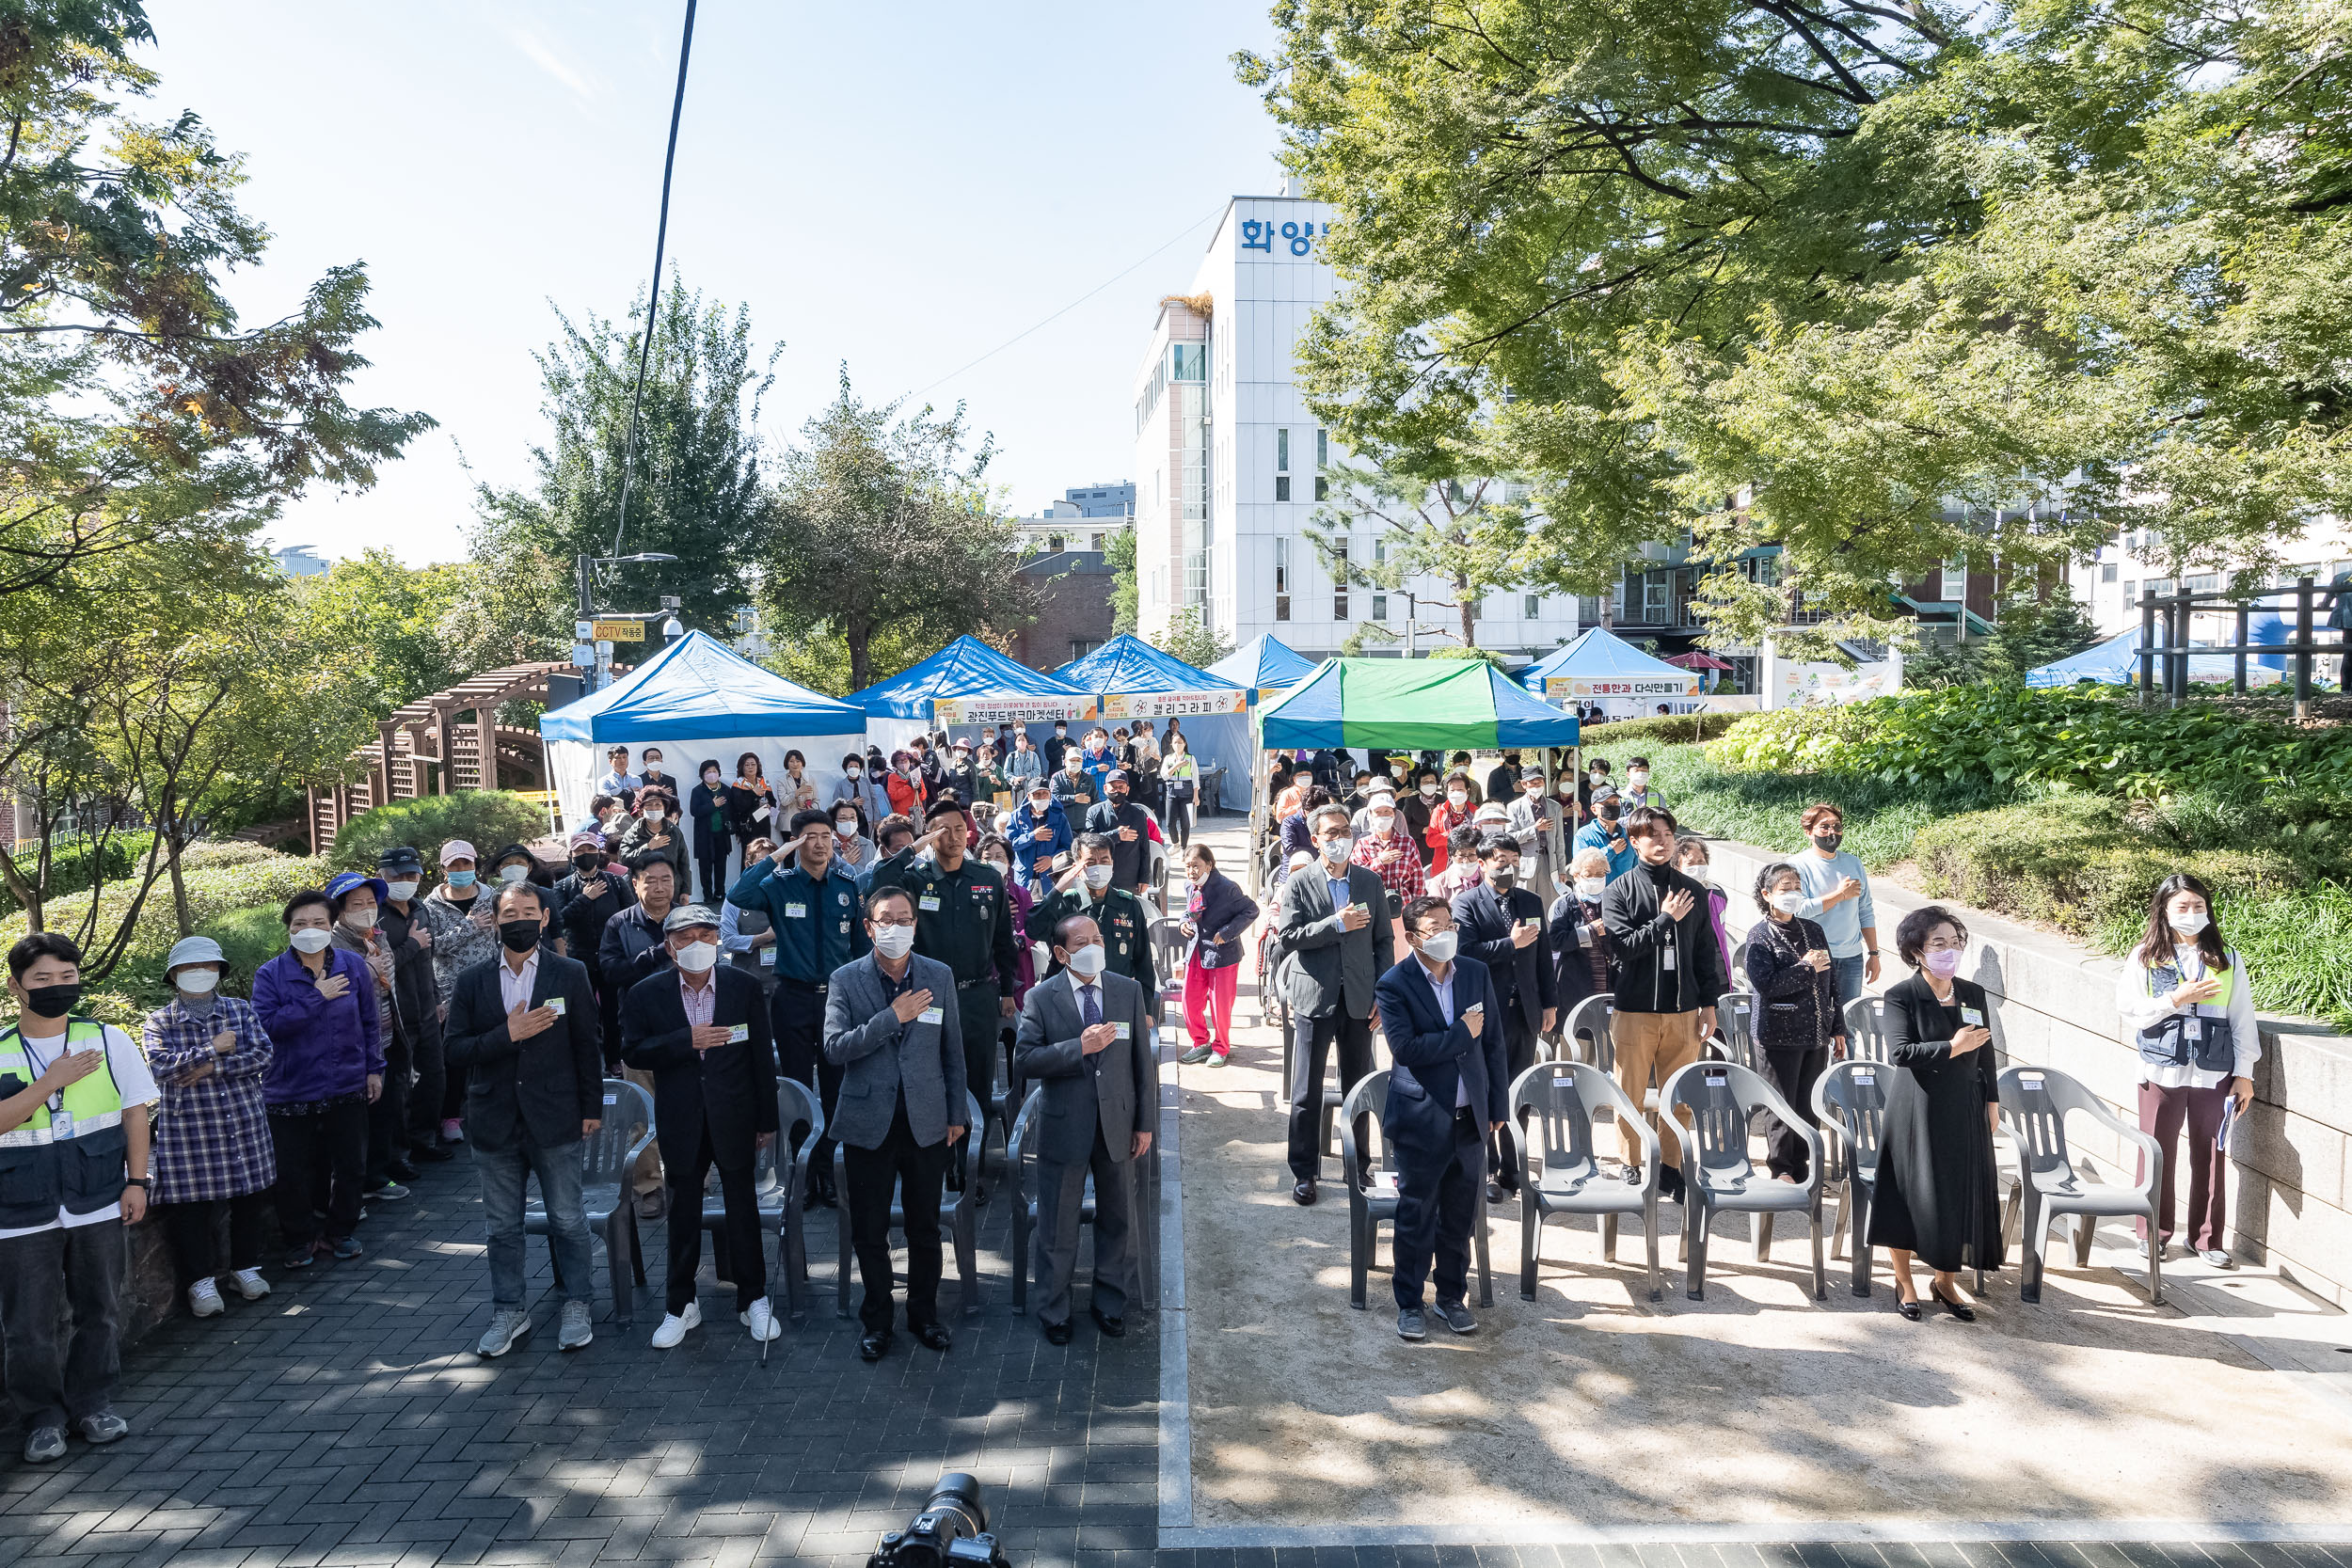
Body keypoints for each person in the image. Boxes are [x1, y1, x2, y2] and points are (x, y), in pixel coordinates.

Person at [0, 934, 158, 1462]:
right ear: (16, 986)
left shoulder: (108, 1039)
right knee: (27, 1325)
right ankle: (42, 1418)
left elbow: (136, 1112)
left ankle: (92, 1403)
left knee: (101, 1310)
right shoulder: (0, 1049)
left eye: (66, 977)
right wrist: (51, 1082)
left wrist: (137, 1181)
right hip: (20, 1209)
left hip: (97, 1199)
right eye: (42, 979)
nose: (57, 987)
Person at [443, 881, 604, 1356]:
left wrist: (591, 1109)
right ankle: (509, 1309)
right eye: (510, 913)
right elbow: (454, 1051)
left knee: (569, 1220)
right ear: (495, 919)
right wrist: (506, 1033)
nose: (519, 921)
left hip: (556, 1117)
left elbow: (587, 1047)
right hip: (493, 1119)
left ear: (545, 918)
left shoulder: (570, 972)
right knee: (501, 1228)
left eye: (529, 912)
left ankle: (578, 1302)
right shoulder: (472, 981)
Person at [624, 904, 783, 1347]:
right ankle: (680, 1304)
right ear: (669, 945)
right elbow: (633, 1051)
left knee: (743, 1209)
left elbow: (759, 1060)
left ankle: (753, 1298)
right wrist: (683, 1041)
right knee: (684, 1212)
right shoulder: (646, 993)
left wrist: (766, 1118)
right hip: (681, 1116)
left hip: (735, 1114)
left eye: (706, 936)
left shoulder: (742, 986)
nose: (698, 945)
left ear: (718, 940)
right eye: (686, 937)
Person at [823, 885, 968, 1361]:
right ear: (869, 927)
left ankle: (925, 1315)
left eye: (905, 919)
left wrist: (955, 1112)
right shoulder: (846, 979)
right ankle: (878, 1321)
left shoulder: (939, 975)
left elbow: (952, 1052)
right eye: (887, 919)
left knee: (925, 1227)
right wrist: (892, 1017)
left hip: (926, 1121)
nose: (897, 927)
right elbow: (835, 1048)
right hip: (869, 1122)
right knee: (870, 1229)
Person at [1013, 913, 1157, 1342]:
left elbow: (1141, 1066)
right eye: (1081, 943)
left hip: (1118, 1124)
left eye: (1098, 938)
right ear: (1060, 954)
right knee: (1058, 1224)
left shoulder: (1126, 990)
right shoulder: (1041, 998)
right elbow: (1025, 1060)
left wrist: (1145, 1123)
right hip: (1066, 1125)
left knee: (1119, 1219)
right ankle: (1054, 1310)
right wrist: (1078, 1047)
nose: (1093, 946)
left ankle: (1110, 1302)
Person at [1374, 897, 1506, 1342]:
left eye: (1449, 924)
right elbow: (1407, 1051)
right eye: (1434, 928)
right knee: (1416, 1213)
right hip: (1422, 1118)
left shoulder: (1474, 972)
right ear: (1412, 938)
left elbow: (1493, 1046)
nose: (1446, 933)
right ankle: (1409, 1303)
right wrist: (1457, 1034)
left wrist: (1497, 1108)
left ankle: (1451, 1296)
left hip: (1471, 1117)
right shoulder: (1395, 984)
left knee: (1460, 1214)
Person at [2117, 872, 2259, 1267]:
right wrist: (2174, 998)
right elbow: (2130, 1012)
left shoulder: (2226, 957)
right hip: (2161, 1070)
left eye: (2199, 906)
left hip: (2214, 1072)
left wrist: (2244, 1073)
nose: (2192, 913)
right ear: (2163, 910)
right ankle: (2153, 1232)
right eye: (2182, 906)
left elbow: (2242, 1018)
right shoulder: (2146, 956)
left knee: (2212, 1153)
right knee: (2156, 1151)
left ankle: (2207, 1239)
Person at [729, 811, 868, 1212]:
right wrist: (777, 856)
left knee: (835, 1085)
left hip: (836, 1000)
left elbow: (860, 948)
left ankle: (830, 1172)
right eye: (810, 836)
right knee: (798, 1087)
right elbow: (739, 895)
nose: (821, 843)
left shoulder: (847, 886)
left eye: (826, 835)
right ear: (796, 842)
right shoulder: (779, 885)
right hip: (791, 997)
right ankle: (805, 1174)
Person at [1869, 907, 2003, 1321]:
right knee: (1910, 1193)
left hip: (1965, 1105)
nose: (1950, 950)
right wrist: (1951, 1047)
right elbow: (1900, 1052)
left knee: (1957, 1192)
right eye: (1938, 943)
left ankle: (1945, 1280)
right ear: (1917, 951)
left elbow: (1985, 1052)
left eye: (1955, 942)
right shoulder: (1901, 995)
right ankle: (1904, 1279)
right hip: (1918, 1107)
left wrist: (1992, 1100)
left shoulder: (1971, 992)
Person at [868, 800, 1022, 1152]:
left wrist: (1006, 990)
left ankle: (970, 1169)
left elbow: (1003, 940)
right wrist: (913, 849)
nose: (953, 837)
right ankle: (933, 1162)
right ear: (930, 835)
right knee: (928, 1076)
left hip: (977, 995)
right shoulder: (915, 879)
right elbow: (878, 882)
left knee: (976, 1080)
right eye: (942, 830)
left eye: (958, 829)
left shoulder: (987, 878)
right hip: (927, 995)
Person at [143, 936, 276, 1320]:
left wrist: (209, 1068)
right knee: (191, 1208)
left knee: (249, 1198)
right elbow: (160, 1068)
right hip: (190, 1129)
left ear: (218, 971)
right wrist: (212, 1050)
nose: (199, 973)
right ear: (174, 975)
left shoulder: (240, 1010)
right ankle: (200, 1282)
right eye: (189, 967)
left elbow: (263, 1054)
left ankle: (245, 1269)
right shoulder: (160, 1021)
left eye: (208, 966)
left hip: (242, 1119)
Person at [1600, 806, 1725, 1205]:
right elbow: (1621, 949)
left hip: (1684, 1010)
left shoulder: (1694, 890)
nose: (1662, 841)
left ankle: (1673, 1166)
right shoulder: (1617, 890)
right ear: (1634, 841)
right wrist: (1665, 920)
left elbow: (1707, 952)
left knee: (1681, 1095)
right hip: (1635, 1009)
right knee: (1630, 1091)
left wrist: (1709, 1003)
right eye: (1652, 834)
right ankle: (1631, 1161)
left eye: (1667, 834)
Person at [253, 890, 383, 1267]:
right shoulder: (270, 974)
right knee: (292, 1171)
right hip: (290, 1089)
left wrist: (374, 1070)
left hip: (347, 1083)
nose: (310, 929)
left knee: (350, 1165)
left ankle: (340, 1232)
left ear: (332, 925)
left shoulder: (352, 966)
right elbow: (266, 1028)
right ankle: (299, 1239)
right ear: (289, 929)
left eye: (318, 923)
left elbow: (370, 1022)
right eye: (300, 924)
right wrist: (316, 997)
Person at [1276, 804, 1393, 1204]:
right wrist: (1335, 924)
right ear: (1316, 839)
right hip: (1315, 996)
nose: (1340, 838)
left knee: (1358, 1086)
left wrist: (1382, 992)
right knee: (1307, 1089)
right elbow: (1288, 936)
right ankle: (1305, 1171)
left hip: (1360, 997)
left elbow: (1382, 942)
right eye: (1330, 833)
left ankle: (1357, 1166)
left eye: (1344, 830)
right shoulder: (1299, 882)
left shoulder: (1369, 882)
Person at [1452, 835, 1556, 1200]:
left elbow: (1543, 955)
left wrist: (1549, 1003)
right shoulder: (1466, 903)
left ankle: (1514, 1169)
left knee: (1518, 1093)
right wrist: (1510, 943)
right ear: (1482, 863)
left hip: (1524, 1011)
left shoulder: (1530, 901)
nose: (1507, 866)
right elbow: (1464, 953)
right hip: (1484, 1013)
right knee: (1486, 1092)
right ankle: (1489, 1168)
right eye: (1499, 859)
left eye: (1513, 858)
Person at [1743, 863, 1845, 1184]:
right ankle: (1782, 1168)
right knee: (1781, 1105)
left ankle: (1805, 1168)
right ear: (1767, 895)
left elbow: (1832, 981)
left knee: (1808, 1104)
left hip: (1815, 1031)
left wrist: (1837, 1026)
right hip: (1777, 1034)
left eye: (1797, 887)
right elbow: (1766, 984)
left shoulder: (1813, 930)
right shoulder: (1759, 935)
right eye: (1785, 888)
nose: (1793, 893)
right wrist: (1805, 968)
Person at [598, 857, 681, 1219]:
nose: (660, 887)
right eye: (651, 880)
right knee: (643, 1115)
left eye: (667, 879)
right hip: (640, 1033)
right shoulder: (619, 924)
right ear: (635, 884)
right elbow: (611, 972)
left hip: (687, 1029)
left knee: (691, 1107)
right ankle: (649, 1186)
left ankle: (693, 1176)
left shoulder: (688, 920)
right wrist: (657, 954)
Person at [321, 871, 408, 1205]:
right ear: (339, 911)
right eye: (356, 904)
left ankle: (376, 1176)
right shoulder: (330, 944)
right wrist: (366, 971)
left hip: (384, 1037)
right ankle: (347, 1193)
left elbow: (389, 978)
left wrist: (378, 972)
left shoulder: (378, 936)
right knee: (352, 1122)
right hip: (349, 1045)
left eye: (371, 902)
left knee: (383, 1111)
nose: (366, 909)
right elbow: (340, 991)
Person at [374, 847, 452, 1174]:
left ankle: (425, 1140)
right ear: (383, 877)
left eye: (412, 875)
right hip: (395, 1012)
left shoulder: (421, 909)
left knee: (434, 1077)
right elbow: (381, 966)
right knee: (398, 1085)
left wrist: (436, 999)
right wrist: (412, 944)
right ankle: (397, 1155)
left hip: (425, 1007)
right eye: (398, 876)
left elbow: (428, 959)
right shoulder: (375, 915)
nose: (406, 881)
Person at [1025, 834, 1158, 1015]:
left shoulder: (1128, 904)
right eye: (1090, 862)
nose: (1098, 867)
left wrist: (1146, 1010)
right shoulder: (1065, 902)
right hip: (1068, 1002)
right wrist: (1057, 891)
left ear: (1112, 864)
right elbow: (1033, 929)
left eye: (1104, 860)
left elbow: (1144, 961)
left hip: (1116, 997)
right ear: (1077, 867)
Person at [421, 840, 498, 1145]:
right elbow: (430, 946)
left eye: (466, 864)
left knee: (493, 1047)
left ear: (475, 865)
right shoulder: (431, 905)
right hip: (450, 990)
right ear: (444, 870)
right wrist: (468, 927)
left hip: (490, 984)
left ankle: (492, 1111)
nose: (461, 870)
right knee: (453, 1056)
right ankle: (450, 1117)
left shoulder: (491, 896)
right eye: (454, 866)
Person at [1789, 802, 1881, 1007]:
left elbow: (1865, 910)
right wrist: (1839, 895)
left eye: (1837, 826)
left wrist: (1873, 954)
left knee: (1848, 1021)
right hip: (1815, 954)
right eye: (1824, 826)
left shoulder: (1854, 863)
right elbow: (1798, 910)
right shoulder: (1796, 865)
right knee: (1817, 1020)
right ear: (1808, 832)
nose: (1832, 832)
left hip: (1852, 956)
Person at [1177, 845, 1259, 1068]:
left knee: (1220, 1005)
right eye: (1188, 867)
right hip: (1196, 950)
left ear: (1209, 865)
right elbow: (1188, 911)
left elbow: (1251, 910)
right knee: (1189, 1000)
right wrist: (1183, 922)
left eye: (1196, 866)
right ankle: (1200, 1042)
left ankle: (1221, 1047)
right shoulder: (1189, 886)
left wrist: (1228, 931)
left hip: (1223, 953)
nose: (1192, 871)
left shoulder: (1227, 888)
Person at [1547, 846, 1616, 1017]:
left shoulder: (1614, 901)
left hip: (1611, 980)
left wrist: (1605, 935)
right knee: (1580, 1035)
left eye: (1601, 874)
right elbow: (1555, 940)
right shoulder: (1566, 904)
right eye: (1589, 874)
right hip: (1576, 981)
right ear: (1576, 876)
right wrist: (1589, 931)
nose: (1595, 879)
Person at [1085, 768, 1153, 899]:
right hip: (1099, 875)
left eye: (1121, 787)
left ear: (1127, 790)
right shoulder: (1094, 812)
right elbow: (1089, 841)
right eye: (1113, 787)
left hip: (1129, 878)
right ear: (1105, 788)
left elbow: (1145, 848)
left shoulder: (1137, 814)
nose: (1117, 791)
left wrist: (1144, 878)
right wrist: (1116, 835)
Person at [1676, 836, 1733, 986]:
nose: (1697, 867)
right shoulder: (1672, 897)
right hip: (1686, 974)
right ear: (1677, 867)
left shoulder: (1717, 893)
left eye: (1701, 862)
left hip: (1717, 970)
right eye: (1690, 863)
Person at [1504, 765, 1566, 900]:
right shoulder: (1514, 807)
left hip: (1548, 863)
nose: (1537, 786)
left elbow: (1559, 841)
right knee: (1525, 903)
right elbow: (1510, 838)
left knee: (1548, 905)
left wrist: (1561, 869)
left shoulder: (1554, 807)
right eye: (1533, 783)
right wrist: (1535, 830)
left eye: (1540, 782)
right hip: (1526, 864)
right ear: (1524, 784)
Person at [1007, 781, 1072, 895]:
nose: (1041, 797)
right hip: (1024, 876)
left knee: (1049, 910)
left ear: (1050, 795)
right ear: (1029, 796)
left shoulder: (1059, 818)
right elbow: (1009, 844)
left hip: (1049, 876)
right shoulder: (1016, 816)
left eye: (1044, 793)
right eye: (1037, 794)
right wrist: (1032, 836)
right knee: (1024, 910)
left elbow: (1068, 847)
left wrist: (1052, 859)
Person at [621, 789, 691, 885]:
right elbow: (625, 860)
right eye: (649, 805)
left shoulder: (674, 832)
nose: (653, 808)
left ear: (664, 808)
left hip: (670, 889)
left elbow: (684, 864)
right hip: (642, 890)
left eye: (658, 805)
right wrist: (648, 847)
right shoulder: (632, 833)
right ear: (641, 809)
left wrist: (686, 892)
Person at [690, 759, 734, 905]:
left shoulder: (726, 790)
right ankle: (707, 895)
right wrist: (712, 805)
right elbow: (694, 811)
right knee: (705, 866)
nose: (712, 774)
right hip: (704, 836)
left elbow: (732, 811)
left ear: (719, 773)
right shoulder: (697, 791)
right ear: (702, 774)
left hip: (722, 834)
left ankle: (720, 893)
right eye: (708, 772)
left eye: (714, 771)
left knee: (721, 865)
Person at [1572, 793, 1637, 883]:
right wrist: (1610, 851)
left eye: (1615, 802)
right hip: (1595, 893)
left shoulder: (1628, 835)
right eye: (1607, 803)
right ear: (1594, 809)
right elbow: (1581, 866)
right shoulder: (1584, 835)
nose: (1612, 807)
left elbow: (1636, 868)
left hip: (1624, 893)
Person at [1050, 746, 1095, 817]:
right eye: (1072, 760)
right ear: (1065, 761)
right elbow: (1053, 799)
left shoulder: (1088, 778)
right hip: (1063, 822)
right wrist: (1074, 798)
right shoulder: (1057, 778)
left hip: (1084, 824)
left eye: (1078, 760)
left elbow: (1095, 800)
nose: (1075, 763)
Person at [777, 749, 819, 816]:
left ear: (802, 763)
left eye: (798, 761)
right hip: (788, 819)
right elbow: (784, 802)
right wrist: (798, 792)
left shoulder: (810, 779)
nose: (795, 764)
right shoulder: (781, 780)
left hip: (806, 817)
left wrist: (811, 808)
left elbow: (816, 800)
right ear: (787, 763)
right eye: (791, 761)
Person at [1005, 729, 1045, 794]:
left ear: (1027, 743)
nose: (1021, 742)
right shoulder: (1011, 756)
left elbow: (1037, 771)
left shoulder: (1033, 755)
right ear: (1015, 743)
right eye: (1019, 740)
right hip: (1016, 789)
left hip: (1031, 788)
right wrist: (1014, 779)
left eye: (1023, 740)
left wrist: (1026, 776)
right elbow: (1006, 772)